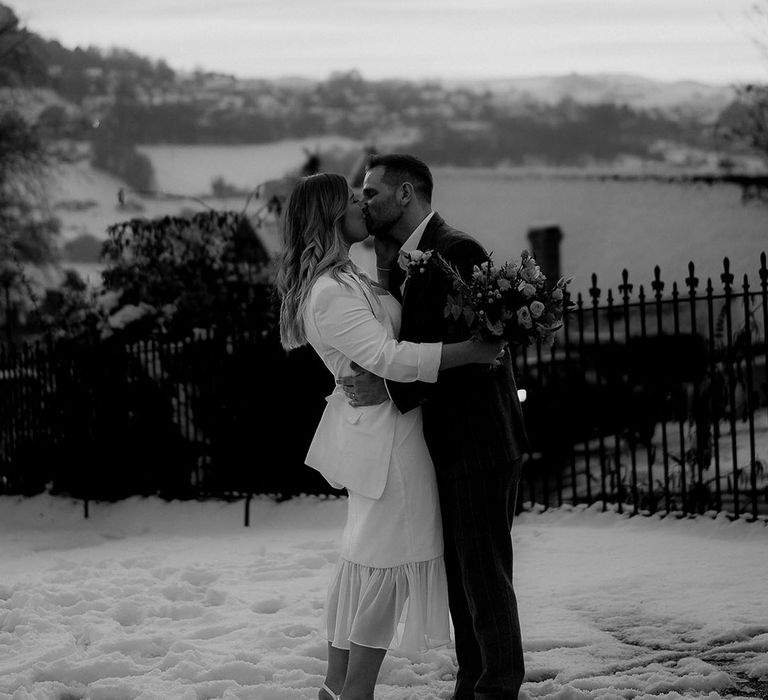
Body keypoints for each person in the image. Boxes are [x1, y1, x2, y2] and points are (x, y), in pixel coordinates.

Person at [275, 172, 507, 700]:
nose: (363, 204)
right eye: (354, 200)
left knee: (367, 562)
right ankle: (354, 692)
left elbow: (382, 344)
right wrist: (469, 352)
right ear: (333, 215)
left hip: (388, 435)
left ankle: (338, 690)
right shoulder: (330, 292)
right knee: (384, 564)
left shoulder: (348, 276)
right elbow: (387, 358)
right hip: (391, 446)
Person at [339, 154, 530, 699]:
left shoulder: (456, 250)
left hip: (480, 439)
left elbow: (475, 355)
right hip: (448, 443)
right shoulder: (404, 259)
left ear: (405, 194)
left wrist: (390, 387)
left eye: (372, 192)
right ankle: (472, 683)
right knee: (463, 578)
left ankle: (497, 687)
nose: (363, 201)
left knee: (484, 576)